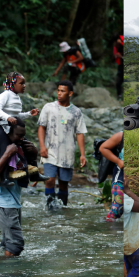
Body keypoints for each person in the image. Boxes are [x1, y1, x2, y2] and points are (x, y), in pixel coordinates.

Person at [0, 118, 38, 257]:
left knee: (7, 242)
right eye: (19, 135)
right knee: (15, 244)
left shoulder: (20, 148)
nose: (22, 138)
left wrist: (33, 154)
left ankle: (1, 269)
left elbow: (27, 173)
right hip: (1, 200)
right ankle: (9, 272)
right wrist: (7, 154)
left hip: (13, 201)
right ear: (7, 133)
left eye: (23, 135)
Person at [37, 80, 88, 208]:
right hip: (50, 151)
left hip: (67, 153)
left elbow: (80, 133)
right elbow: (41, 127)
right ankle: (50, 208)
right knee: (49, 180)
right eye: (58, 90)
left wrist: (82, 154)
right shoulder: (48, 107)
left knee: (64, 183)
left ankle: (63, 208)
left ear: (70, 93)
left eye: (62, 91)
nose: (59, 93)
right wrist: (42, 146)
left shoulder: (76, 112)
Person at [124, 175, 139, 277]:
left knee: (129, 262)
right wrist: (127, 190)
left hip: (124, 242)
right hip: (133, 242)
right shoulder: (122, 198)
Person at [99, 131, 124, 222]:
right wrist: (118, 161)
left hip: (137, 174)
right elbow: (103, 148)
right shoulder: (120, 136)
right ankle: (107, 231)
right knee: (117, 210)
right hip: (121, 174)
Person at [113, 35, 123, 100]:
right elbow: (115, 55)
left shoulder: (122, 43)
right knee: (118, 82)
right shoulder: (116, 47)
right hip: (121, 65)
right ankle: (119, 96)